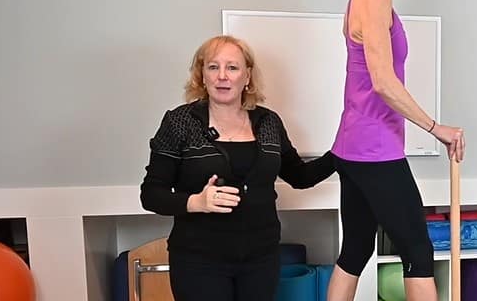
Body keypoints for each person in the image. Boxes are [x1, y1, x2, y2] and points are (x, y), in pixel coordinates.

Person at [326, 0, 466, 301]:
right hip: (376, 150)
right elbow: (384, 83)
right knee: (418, 253)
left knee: (355, 251)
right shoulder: (374, 3)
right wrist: (436, 128)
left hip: (352, 149)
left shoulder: (358, 0)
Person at [140, 35, 336, 301]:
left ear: (247, 77)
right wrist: (196, 202)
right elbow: (151, 194)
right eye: (213, 67)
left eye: (232, 67)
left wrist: (341, 153)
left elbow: (299, 176)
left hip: (261, 259)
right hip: (199, 261)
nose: (222, 76)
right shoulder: (179, 122)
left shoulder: (269, 122)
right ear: (202, 75)